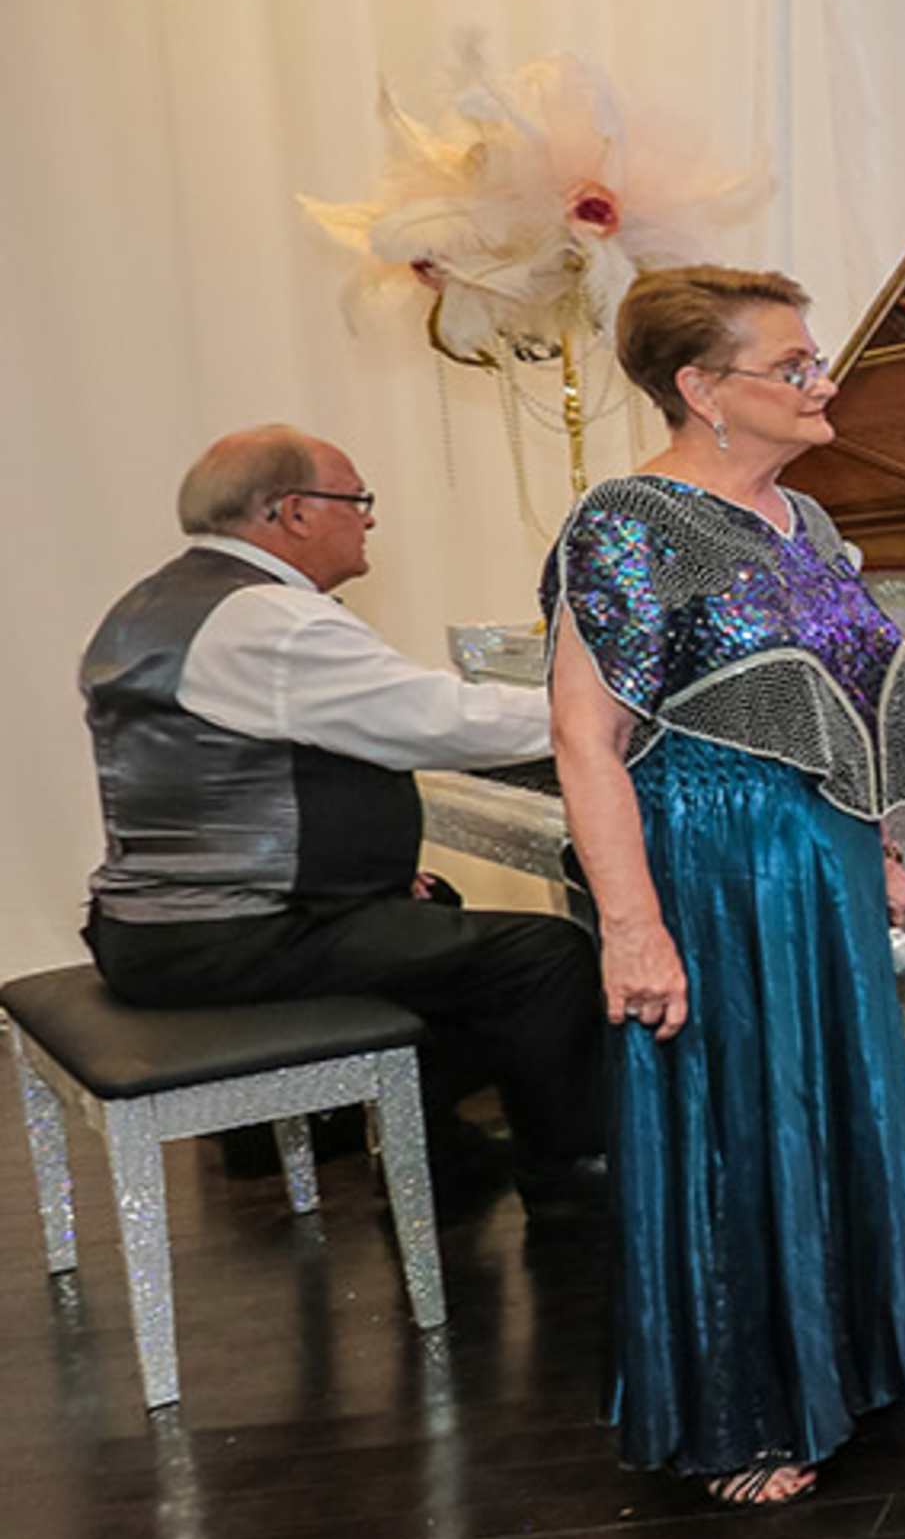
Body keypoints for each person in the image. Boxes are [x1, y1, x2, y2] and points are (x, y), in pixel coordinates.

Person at [545, 267, 905, 1506]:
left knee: (836, 1105)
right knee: (739, 1123)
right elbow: (584, 741)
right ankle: (748, 1408)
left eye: (812, 358)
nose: (821, 380)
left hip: (819, 862)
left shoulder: (809, 522)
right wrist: (631, 927)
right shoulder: (628, 522)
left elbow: (841, 711)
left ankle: (853, 1363)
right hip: (714, 869)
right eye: (793, 366)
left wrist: (875, 841)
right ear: (701, 388)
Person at [79, 427, 607, 1203]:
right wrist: (604, 716)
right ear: (291, 512)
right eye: (356, 500)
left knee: (438, 919)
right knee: (545, 954)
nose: (367, 519)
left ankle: (432, 1157)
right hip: (227, 934)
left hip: (153, 925)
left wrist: (372, 878)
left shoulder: (158, 600)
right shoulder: (272, 621)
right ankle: (572, 1172)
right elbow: (437, 720)